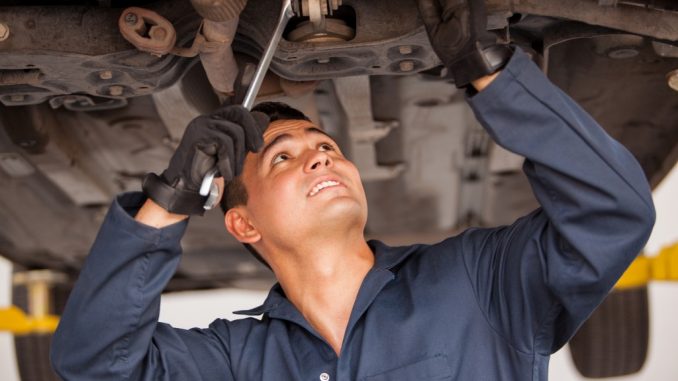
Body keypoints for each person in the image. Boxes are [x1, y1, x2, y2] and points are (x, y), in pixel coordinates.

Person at [50, 0, 656, 380]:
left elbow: (611, 212)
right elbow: (94, 365)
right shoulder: (238, 361)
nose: (319, 157)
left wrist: (489, 72)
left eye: (326, 147)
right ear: (243, 223)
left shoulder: (478, 282)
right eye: (283, 156)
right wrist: (172, 195)